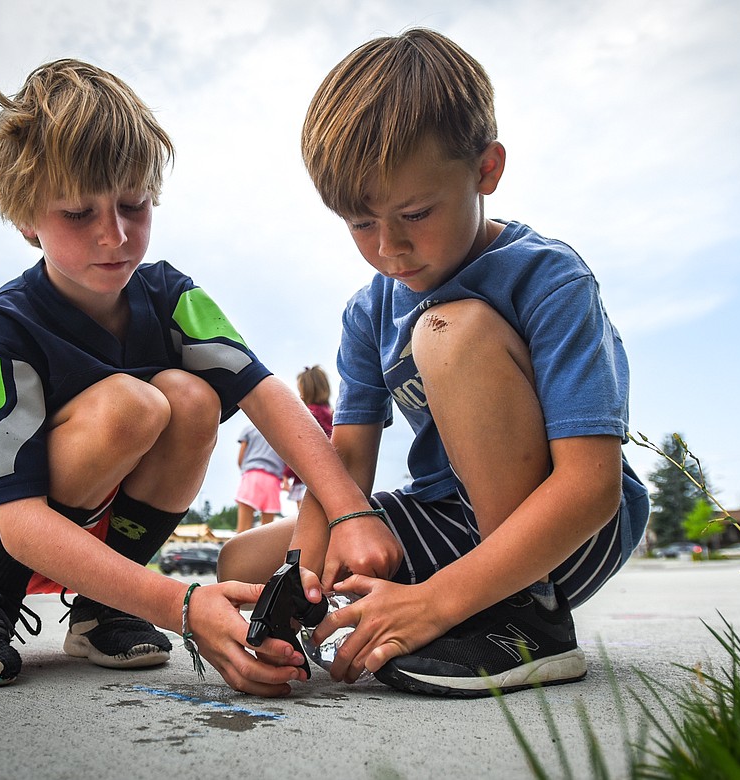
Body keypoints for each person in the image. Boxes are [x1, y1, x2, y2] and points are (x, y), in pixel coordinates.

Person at [0, 58, 374, 696]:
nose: (115, 234)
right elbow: (18, 518)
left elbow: (266, 394)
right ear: (27, 220)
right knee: (131, 405)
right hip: (9, 532)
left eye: (133, 204)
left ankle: (106, 607)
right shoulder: (4, 329)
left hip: (107, 535)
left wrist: (351, 511)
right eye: (79, 213)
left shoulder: (169, 294)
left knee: (190, 397)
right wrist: (180, 605)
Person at [218, 28, 650, 698]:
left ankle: (525, 617)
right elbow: (348, 465)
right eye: (361, 224)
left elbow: (591, 487)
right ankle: (430, 602)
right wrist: (301, 578)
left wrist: (437, 603)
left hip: (566, 530)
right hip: (452, 515)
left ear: (486, 169)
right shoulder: (368, 312)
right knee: (241, 559)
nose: (390, 247)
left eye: (415, 213)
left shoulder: (548, 279)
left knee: (449, 332)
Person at [283, 365, 334, 509]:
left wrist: (287, 473)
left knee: (305, 520)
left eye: (301, 392)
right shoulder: (332, 414)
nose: (300, 396)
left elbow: (300, 448)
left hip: (306, 478)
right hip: (329, 476)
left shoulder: (307, 415)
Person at [234, 424, 286, 533]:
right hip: (273, 480)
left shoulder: (249, 429)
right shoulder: (283, 431)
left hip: (252, 476)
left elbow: (240, 459)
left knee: (242, 530)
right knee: (267, 531)